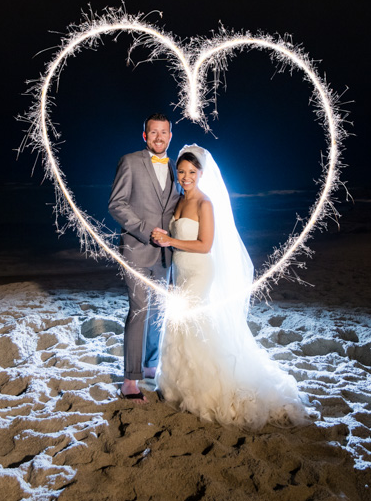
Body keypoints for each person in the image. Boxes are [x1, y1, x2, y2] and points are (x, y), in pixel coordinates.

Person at [151, 145, 312, 430]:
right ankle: (176, 387)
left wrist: (171, 241)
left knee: (191, 324)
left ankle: (205, 391)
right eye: (181, 172)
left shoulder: (205, 203)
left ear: (200, 174)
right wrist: (165, 236)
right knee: (178, 326)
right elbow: (177, 237)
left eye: (191, 172)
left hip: (200, 272)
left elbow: (205, 245)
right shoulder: (179, 201)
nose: (186, 177)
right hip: (180, 271)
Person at [107, 113, 181, 403]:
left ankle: (151, 367)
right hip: (136, 249)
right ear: (145, 136)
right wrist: (146, 231)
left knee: (158, 312)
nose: (159, 137)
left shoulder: (176, 167)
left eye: (164, 133)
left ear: (170, 136)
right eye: (153, 132)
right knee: (139, 311)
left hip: (166, 255)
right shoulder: (130, 161)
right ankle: (130, 381)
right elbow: (117, 204)